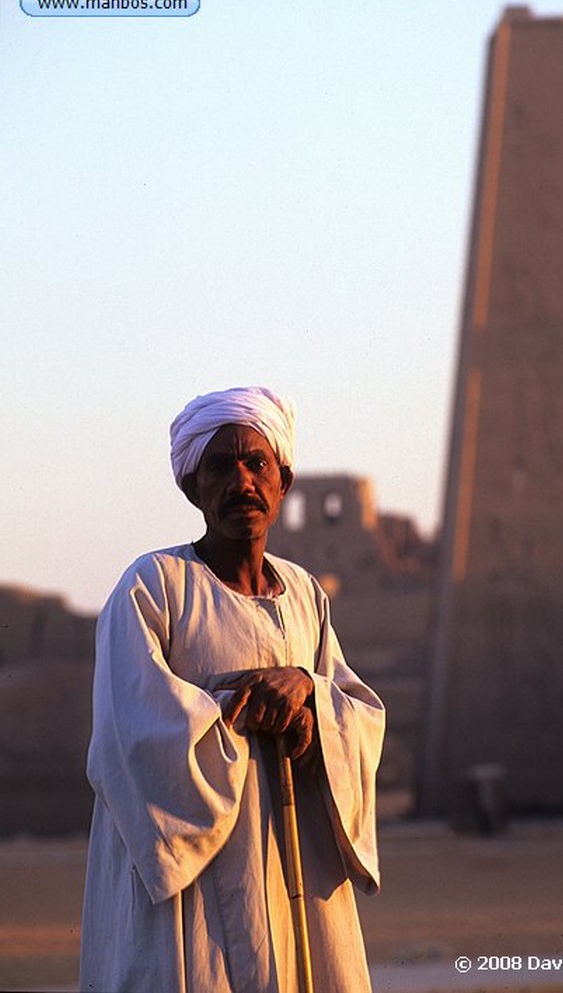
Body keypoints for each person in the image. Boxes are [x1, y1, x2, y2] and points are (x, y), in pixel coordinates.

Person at [79, 386, 385, 993]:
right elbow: (130, 731)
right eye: (220, 467)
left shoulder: (304, 595)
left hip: (293, 858)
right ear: (193, 487)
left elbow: (357, 714)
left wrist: (308, 696)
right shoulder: (154, 586)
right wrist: (247, 711)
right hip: (191, 878)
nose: (240, 481)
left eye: (256, 464)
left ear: (283, 484)